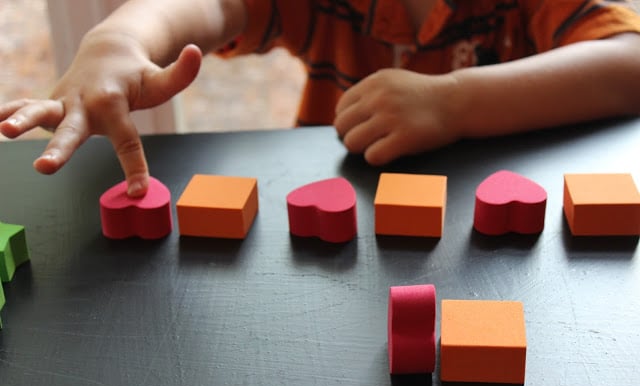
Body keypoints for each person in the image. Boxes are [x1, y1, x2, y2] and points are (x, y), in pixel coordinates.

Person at [1, 0, 640, 197]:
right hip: (338, 228)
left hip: (490, 241)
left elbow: (629, 60)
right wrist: (118, 37)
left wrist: (455, 102)